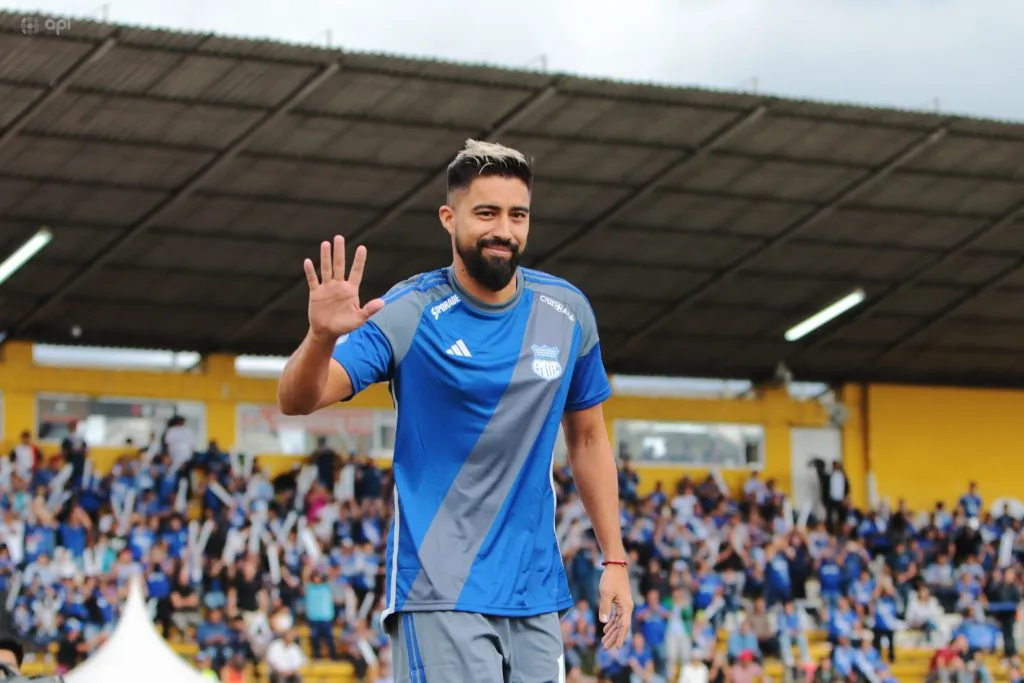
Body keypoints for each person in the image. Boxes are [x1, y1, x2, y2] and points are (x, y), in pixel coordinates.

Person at [277, 139, 632, 682]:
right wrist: (320, 337)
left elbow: (587, 440)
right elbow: (298, 398)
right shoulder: (408, 311)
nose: (504, 231)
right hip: (439, 591)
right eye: (486, 213)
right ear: (449, 217)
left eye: (518, 216)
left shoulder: (568, 313)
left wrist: (614, 559)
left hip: (535, 592)